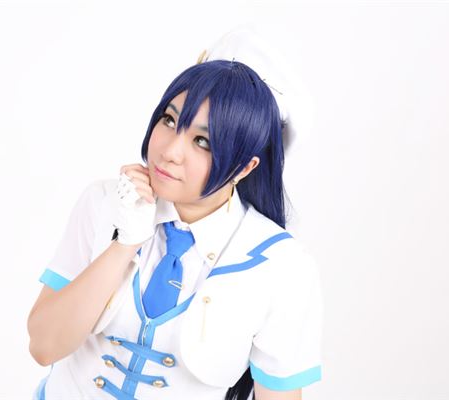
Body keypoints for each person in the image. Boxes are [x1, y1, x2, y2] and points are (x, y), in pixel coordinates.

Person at [27, 31, 323, 400]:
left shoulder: (282, 266)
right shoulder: (103, 203)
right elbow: (43, 346)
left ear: (245, 167)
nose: (170, 151)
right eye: (169, 120)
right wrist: (124, 245)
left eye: (203, 142)